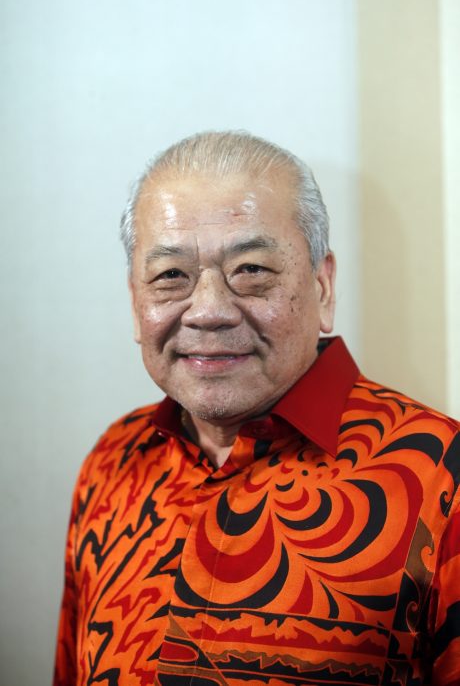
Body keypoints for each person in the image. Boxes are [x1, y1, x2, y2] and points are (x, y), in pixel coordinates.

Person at [54, 131, 460, 686]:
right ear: (135, 303)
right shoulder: (113, 461)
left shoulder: (441, 478)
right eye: (171, 276)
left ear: (323, 287)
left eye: (250, 270)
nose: (209, 311)